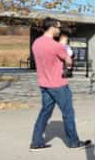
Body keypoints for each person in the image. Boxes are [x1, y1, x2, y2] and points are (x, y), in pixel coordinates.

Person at [30, 17, 91, 151]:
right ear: (52, 28)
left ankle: (36, 142)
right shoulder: (56, 45)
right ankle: (74, 143)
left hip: (44, 83)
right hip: (58, 84)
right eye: (58, 27)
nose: (59, 30)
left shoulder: (36, 43)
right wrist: (67, 56)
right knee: (68, 113)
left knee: (44, 113)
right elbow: (69, 61)